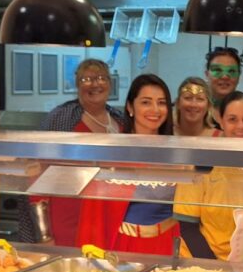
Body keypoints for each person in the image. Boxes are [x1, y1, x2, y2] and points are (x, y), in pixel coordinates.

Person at [17, 59, 124, 244]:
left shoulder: (119, 121)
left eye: (101, 78)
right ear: (76, 85)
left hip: (107, 218)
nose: (95, 84)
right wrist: (44, 233)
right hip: (67, 217)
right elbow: (36, 173)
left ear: (110, 83)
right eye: (86, 79)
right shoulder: (61, 119)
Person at [75, 74, 180, 255]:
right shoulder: (114, 153)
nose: (155, 109)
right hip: (125, 246)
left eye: (161, 102)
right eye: (146, 102)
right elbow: (94, 216)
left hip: (169, 244)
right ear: (131, 107)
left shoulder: (178, 152)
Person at [174, 91, 243, 259]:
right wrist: (217, 268)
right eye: (232, 119)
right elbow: (188, 227)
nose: (241, 126)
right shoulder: (202, 164)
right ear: (220, 121)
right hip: (203, 261)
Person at [204, 46, 242, 127]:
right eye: (217, 70)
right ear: (207, 75)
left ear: (239, 77)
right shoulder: (195, 109)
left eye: (231, 71)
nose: (224, 76)